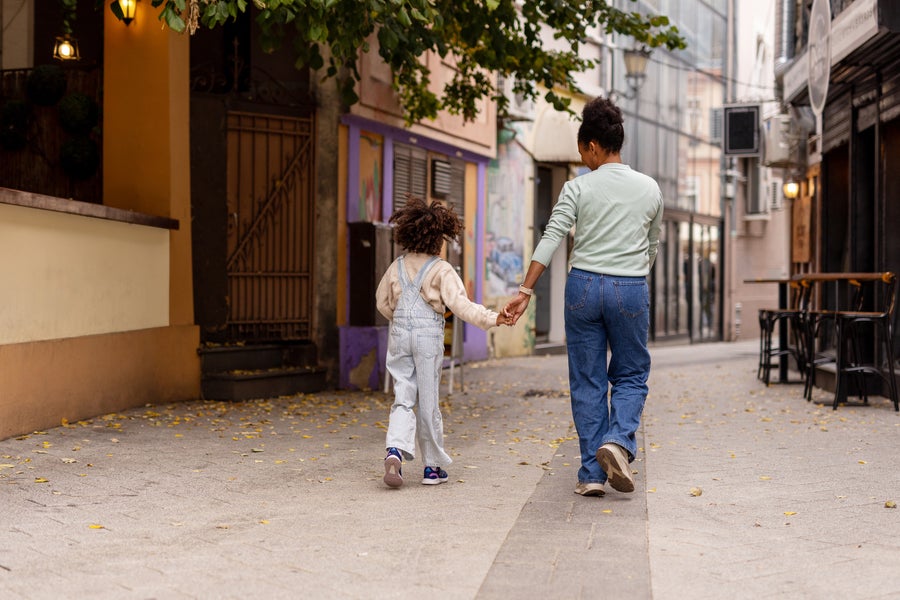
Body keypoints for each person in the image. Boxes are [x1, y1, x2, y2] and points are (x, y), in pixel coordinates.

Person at [504, 96, 663, 497]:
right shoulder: (649, 189)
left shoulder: (577, 188)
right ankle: (618, 442)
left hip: (583, 288)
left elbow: (552, 236)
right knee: (630, 374)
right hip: (629, 287)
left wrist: (525, 292)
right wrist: (633, 279)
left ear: (593, 145)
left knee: (587, 379)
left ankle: (592, 472)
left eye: (583, 152)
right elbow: (652, 246)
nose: (582, 160)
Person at [376, 196, 511, 488]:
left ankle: (395, 450)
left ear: (408, 234)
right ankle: (432, 468)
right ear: (439, 238)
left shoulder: (396, 266)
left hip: (399, 333)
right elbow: (460, 306)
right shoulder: (442, 270)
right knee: (428, 402)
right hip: (428, 337)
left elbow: (381, 302)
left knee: (403, 396)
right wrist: (493, 318)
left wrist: (399, 320)